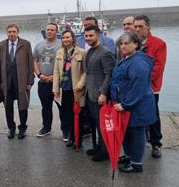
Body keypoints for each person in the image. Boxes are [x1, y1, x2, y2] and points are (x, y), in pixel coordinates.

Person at [111, 32, 156, 173]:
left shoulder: (138, 63)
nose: (122, 47)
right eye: (121, 44)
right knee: (128, 132)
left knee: (137, 133)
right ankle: (129, 156)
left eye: (126, 43)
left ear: (136, 44)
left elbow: (138, 88)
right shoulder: (128, 58)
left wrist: (125, 105)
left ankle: (136, 164)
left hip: (137, 107)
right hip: (127, 104)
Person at [134, 15, 167, 159]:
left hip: (150, 87)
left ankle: (156, 143)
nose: (137, 29)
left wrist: (142, 82)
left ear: (148, 27)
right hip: (134, 86)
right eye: (135, 27)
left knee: (153, 115)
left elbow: (158, 67)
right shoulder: (132, 43)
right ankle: (137, 142)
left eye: (140, 26)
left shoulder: (159, 44)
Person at [84, 24, 116, 161]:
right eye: (86, 36)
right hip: (90, 93)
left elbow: (109, 74)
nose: (88, 38)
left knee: (103, 124)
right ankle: (99, 146)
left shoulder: (106, 52)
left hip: (99, 95)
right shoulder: (90, 51)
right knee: (96, 123)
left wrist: (103, 93)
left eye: (91, 35)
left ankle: (106, 151)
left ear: (98, 35)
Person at [0, 24, 34, 140]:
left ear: (18, 32)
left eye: (14, 31)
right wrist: (0, 82)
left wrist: (30, 81)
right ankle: (11, 128)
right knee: (8, 106)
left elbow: (30, 63)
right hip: (7, 81)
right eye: (9, 32)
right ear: (7, 33)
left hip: (21, 81)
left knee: (22, 106)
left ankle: (22, 128)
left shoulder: (26, 44)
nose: (11, 34)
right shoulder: (2, 45)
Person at [53, 30, 86, 148]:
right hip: (64, 89)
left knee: (78, 115)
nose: (66, 39)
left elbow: (85, 72)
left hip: (76, 90)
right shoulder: (60, 52)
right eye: (63, 38)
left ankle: (79, 139)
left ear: (73, 38)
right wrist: (55, 88)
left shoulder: (81, 52)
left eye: (68, 37)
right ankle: (71, 138)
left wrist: (81, 84)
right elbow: (56, 71)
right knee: (67, 115)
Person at [33, 23, 62, 138]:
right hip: (43, 81)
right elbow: (34, 60)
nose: (49, 32)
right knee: (46, 107)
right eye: (48, 29)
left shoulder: (61, 44)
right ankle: (46, 127)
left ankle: (65, 129)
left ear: (56, 31)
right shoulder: (39, 44)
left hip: (58, 82)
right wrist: (39, 75)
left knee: (62, 107)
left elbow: (65, 63)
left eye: (52, 30)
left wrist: (55, 77)